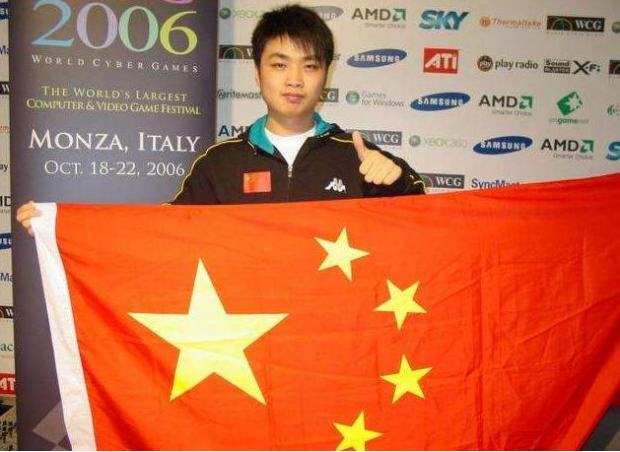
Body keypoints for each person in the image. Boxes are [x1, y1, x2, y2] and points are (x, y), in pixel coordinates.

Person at [16, 4, 425, 235]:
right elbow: (161, 233)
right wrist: (63, 229)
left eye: (309, 65)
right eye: (280, 64)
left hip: (325, 340)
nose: (295, 80)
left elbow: (429, 229)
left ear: (326, 75)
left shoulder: (357, 157)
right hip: (246, 337)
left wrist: (396, 183)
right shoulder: (219, 163)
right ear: (258, 72)